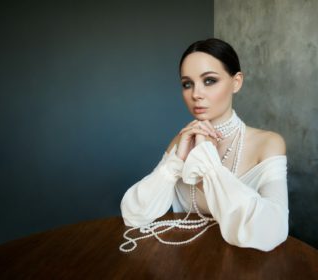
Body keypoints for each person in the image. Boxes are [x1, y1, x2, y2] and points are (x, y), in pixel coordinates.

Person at [120, 38, 288, 252]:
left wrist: (209, 166)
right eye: (187, 84)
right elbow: (133, 214)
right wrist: (174, 165)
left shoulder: (269, 143)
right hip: (188, 258)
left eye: (209, 81)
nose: (196, 94)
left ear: (236, 82)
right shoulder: (181, 141)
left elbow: (274, 229)